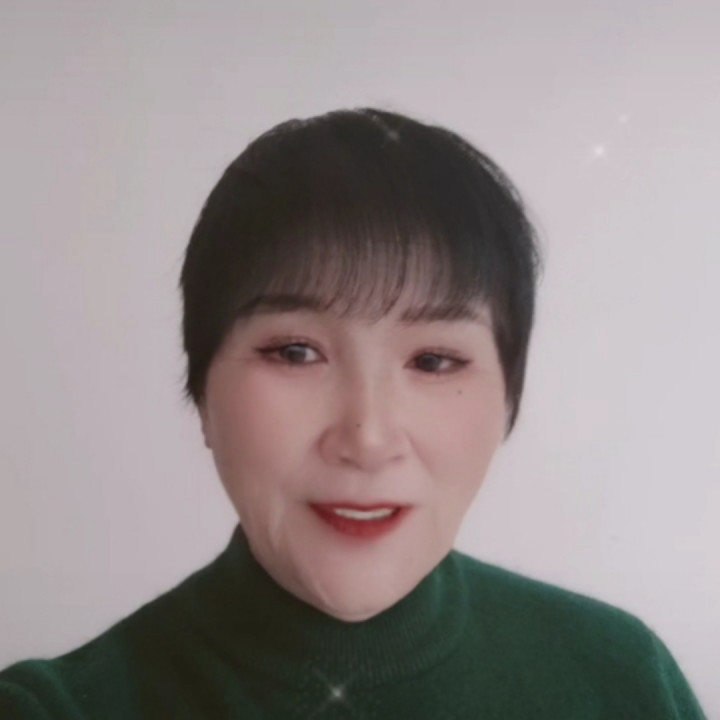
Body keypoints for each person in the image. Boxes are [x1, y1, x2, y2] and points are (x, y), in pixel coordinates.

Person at [0, 108, 707, 718]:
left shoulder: (621, 679)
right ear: (202, 392)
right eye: (296, 353)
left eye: (434, 361)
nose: (367, 438)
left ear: (508, 402)